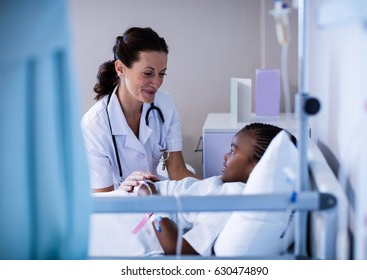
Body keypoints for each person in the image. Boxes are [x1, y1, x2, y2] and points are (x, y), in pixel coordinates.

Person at [127, 122, 296, 256]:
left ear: (256, 167)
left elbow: (177, 249)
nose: (225, 156)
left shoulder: (233, 198)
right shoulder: (228, 187)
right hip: (145, 192)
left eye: (233, 151)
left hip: (143, 209)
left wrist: (150, 199)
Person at [81, 27, 198, 192]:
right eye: (148, 73)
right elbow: (103, 200)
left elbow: (178, 171)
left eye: (162, 74)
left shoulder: (165, 105)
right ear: (120, 69)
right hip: (118, 205)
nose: (156, 83)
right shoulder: (94, 125)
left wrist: (221, 188)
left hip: (152, 195)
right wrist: (125, 190)